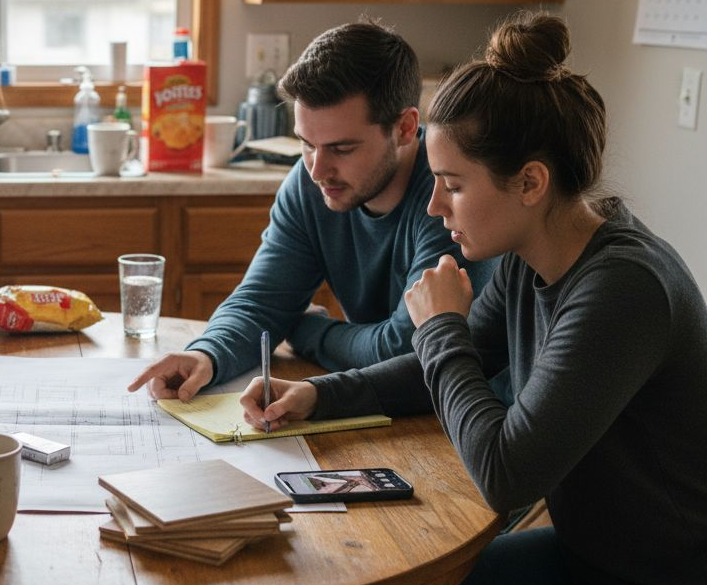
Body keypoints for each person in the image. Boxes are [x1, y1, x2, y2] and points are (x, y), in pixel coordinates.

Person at [245, 12, 707, 585]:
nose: (436, 204)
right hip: (594, 562)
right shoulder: (528, 259)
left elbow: (506, 475)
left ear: (530, 182)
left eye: (454, 183)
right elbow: (445, 366)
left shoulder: (622, 288)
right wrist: (322, 395)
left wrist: (439, 329)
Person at [129, 20, 496, 400]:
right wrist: (206, 354)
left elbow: (407, 349)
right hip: (373, 402)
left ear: (405, 128)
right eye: (306, 144)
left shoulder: (449, 195)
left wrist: (306, 331)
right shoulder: (308, 184)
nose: (317, 171)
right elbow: (261, 301)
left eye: (342, 149)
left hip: (448, 414)